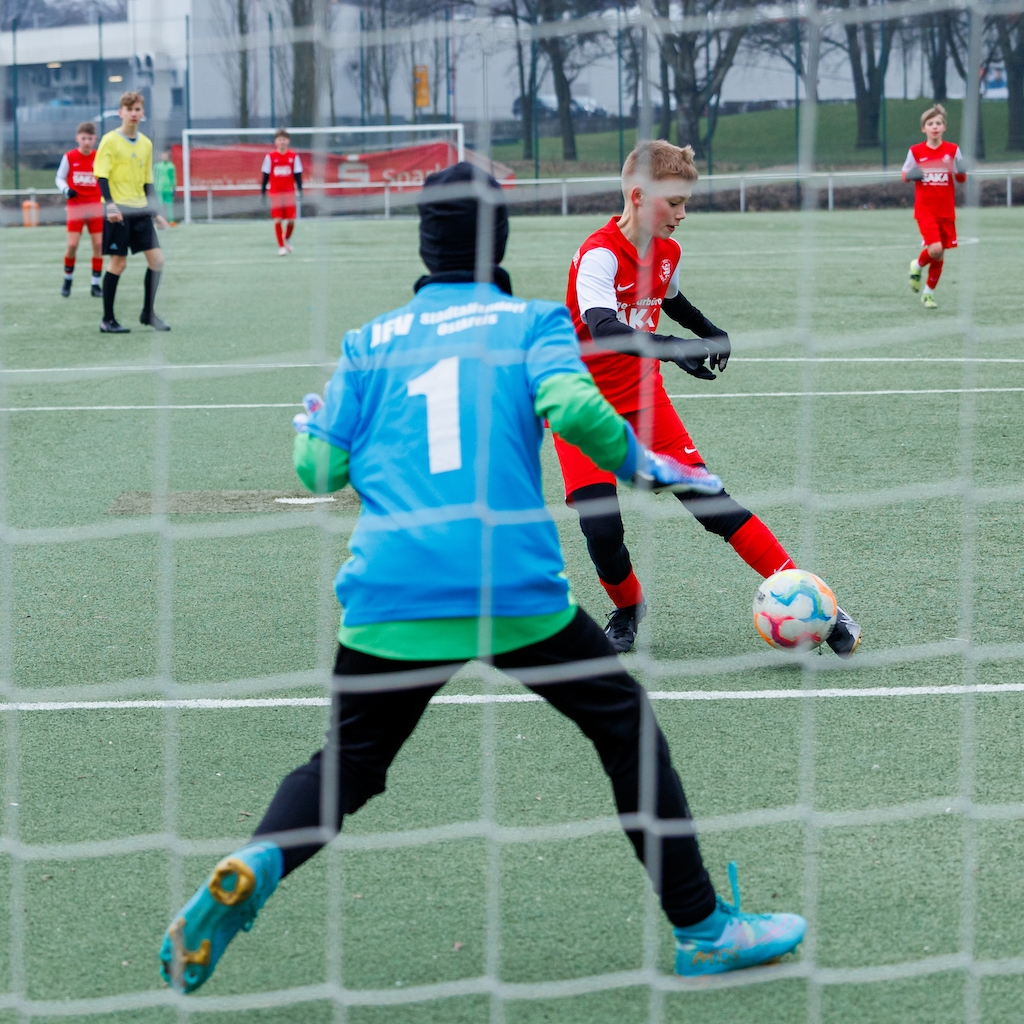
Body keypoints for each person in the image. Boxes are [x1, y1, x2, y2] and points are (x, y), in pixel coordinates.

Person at [158, 162, 806, 993]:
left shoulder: (369, 342)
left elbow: (317, 470)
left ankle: (259, 859)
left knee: (349, 766)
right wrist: (650, 466)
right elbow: (577, 412)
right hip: (510, 588)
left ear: (424, 245)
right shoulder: (531, 322)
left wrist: (310, 423)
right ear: (498, 240)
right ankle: (703, 929)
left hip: (392, 593)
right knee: (624, 730)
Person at [554, 140, 861, 656]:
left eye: (685, 204)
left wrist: (709, 331)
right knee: (601, 528)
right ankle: (628, 608)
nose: (682, 214)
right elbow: (603, 328)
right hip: (580, 404)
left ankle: (818, 605)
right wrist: (675, 349)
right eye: (674, 203)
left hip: (643, 400)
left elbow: (671, 299)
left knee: (710, 503)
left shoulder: (667, 252)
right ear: (637, 196)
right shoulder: (599, 255)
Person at [93, 91, 169, 333]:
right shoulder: (109, 140)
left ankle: (148, 313)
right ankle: (107, 320)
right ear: (121, 112)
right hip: (118, 212)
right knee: (118, 264)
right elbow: (101, 175)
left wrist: (156, 211)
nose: (134, 113)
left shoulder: (146, 143)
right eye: (129, 109)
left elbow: (147, 181)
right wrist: (110, 204)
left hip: (141, 212)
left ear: (142, 113)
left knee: (157, 261)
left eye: (137, 109)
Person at [903, 104, 966, 309]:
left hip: (946, 210)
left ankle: (928, 294)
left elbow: (961, 179)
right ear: (924, 128)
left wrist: (961, 171)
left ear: (944, 127)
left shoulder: (953, 150)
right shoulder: (916, 151)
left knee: (940, 253)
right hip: (925, 210)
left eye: (938, 123)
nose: (935, 127)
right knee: (935, 248)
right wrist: (910, 175)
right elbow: (905, 174)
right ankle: (917, 264)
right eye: (930, 124)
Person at [55, 121, 104, 298]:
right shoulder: (69, 157)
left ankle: (95, 284)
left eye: (90, 138)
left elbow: (106, 179)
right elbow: (59, 177)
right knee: (72, 245)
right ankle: (67, 280)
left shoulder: (99, 157)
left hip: (95, 206)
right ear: (77, 138)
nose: (86, 142)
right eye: (83, 138)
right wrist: (66, 190)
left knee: (98, 245)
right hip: (75, 207)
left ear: (95, 139)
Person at [261, 128, 303, 255]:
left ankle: (286, 238)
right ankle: (281, 246)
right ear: (275, 142)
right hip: (276, 193)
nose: (282, 142)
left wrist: (300, 190)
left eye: (284, 139)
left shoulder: (293, 156)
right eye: (279, 139)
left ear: (288, 141)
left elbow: (298, 175)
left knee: (291, 220)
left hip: (289, 193)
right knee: (277, 219)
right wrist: (263, 192)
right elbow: (265, 176)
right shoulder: (270, 157)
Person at [154, 148, 177, 226]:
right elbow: (155, 177)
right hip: (159, 188)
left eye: (166, 155)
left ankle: (171, 221)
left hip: (168, 189)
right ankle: (161, 221)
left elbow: (173, 177)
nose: (164, 157)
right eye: (163, 155)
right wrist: (154, 187)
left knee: (169, 206)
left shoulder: (171, 166)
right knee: (160, 206)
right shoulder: (157, 166)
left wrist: (174, 187)